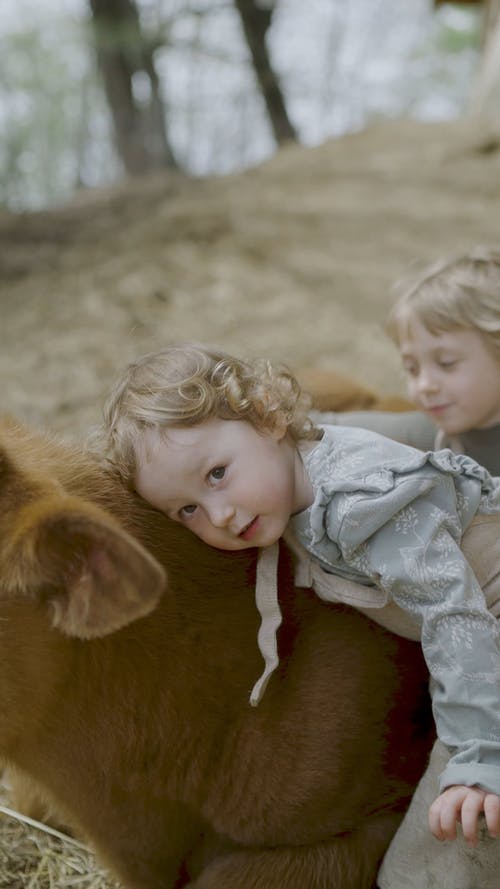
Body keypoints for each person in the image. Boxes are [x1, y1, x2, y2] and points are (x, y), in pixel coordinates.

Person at [96, 341, 500, 855]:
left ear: (268, 417)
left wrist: (479, 757)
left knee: (459, 829)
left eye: (217, 474)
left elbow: (454, 617)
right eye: (187, 510)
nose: (218, 515)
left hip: (483, 641)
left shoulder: (360, 502)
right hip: (477, 641)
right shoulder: (286, 481)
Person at [320, 246, 500, 475]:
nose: (425, 385)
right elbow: (319, 428)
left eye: (446, 363)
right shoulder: (435, 433)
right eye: (412, 369)